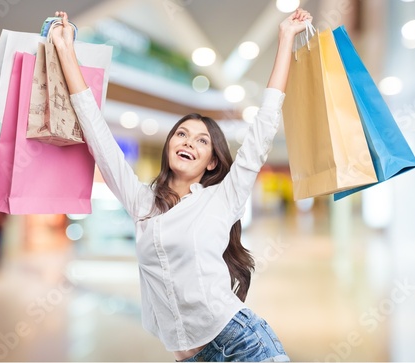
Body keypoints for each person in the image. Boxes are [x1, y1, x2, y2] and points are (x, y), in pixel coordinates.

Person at [51, 8, 312, 362]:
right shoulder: (142, 202)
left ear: (213, 161)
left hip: (243, 346)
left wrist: (284, 38)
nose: (189, 142)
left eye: (202, 141)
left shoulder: (223, 197)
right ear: (170, 144)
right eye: (182, 134)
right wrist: (66, 52)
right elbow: (96, 133)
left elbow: (264, 125)